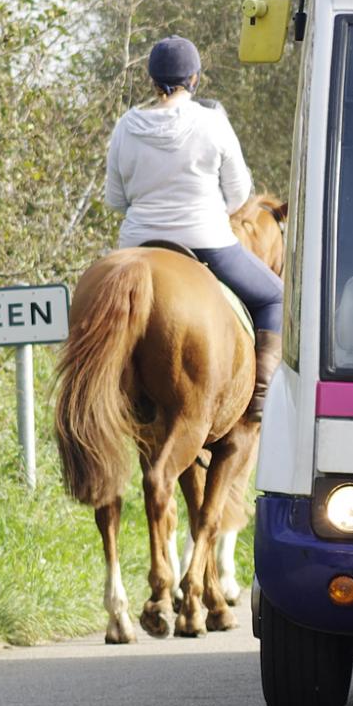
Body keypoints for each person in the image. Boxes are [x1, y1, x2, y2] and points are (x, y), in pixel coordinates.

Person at [103, 35, 285, 420]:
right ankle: (261, 399)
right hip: (207, 243)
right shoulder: (212, 122)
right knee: (274, 298)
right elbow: (239, 197)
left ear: (152, 81)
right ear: (195, 79)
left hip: (137, 246)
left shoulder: (125, 126)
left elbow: (116, 199)